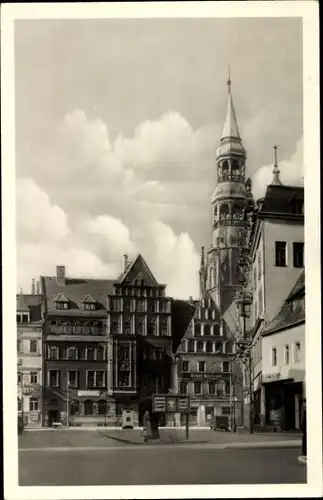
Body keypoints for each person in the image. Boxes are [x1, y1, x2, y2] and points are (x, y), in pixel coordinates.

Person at [298, 399, 307, 464]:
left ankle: (304, 450)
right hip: (304, 425)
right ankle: (304, 450)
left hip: (304, 425)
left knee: (304, 438)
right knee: (305, 438)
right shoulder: (304, 409)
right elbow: (302, 418)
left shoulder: (304, 408)